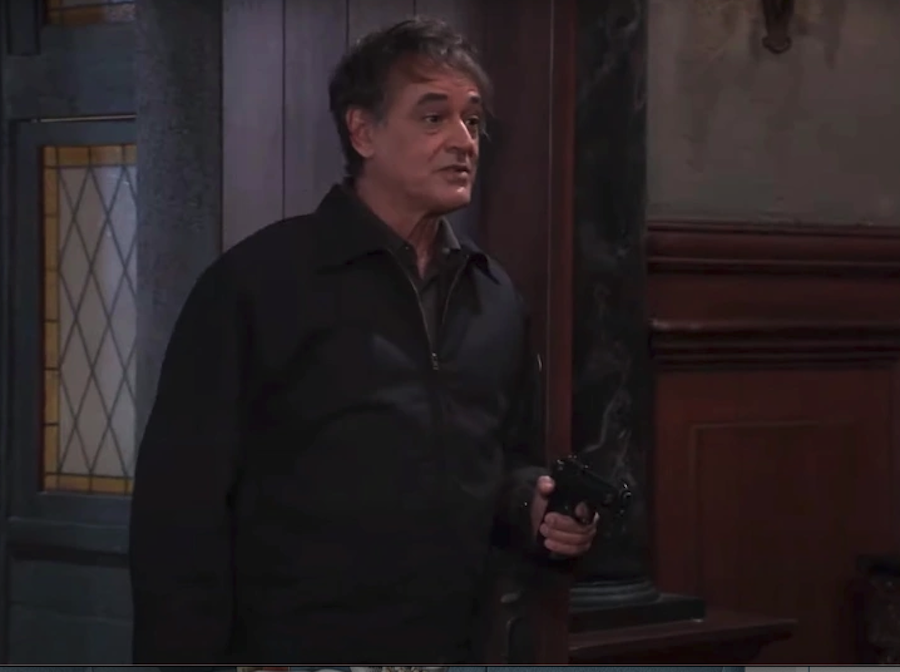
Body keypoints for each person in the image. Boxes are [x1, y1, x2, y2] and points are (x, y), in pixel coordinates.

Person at [129, 17, 598, 665]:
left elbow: (508, 461)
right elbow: (180, 509)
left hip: (453, 648)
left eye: (472, 120)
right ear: (363, 131)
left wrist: (536, 510)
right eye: (433, 118)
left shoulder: (495, 300)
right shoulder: (259, 285)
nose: (463, 140)